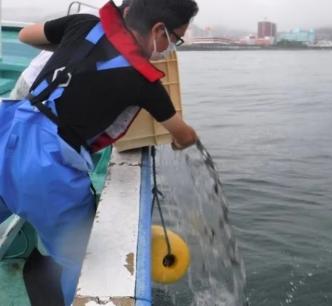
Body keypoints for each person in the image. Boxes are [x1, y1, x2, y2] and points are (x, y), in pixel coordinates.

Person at [0, 0, 199, 305]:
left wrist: (72, 53)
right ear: (159, 30)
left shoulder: (82, 24)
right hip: (47, 169)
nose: (171, 47)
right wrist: (177, 143)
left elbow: (27, 35)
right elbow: (185, 135)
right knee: (81, 257)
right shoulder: (143, 82)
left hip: (8, 128)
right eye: (175, 39)